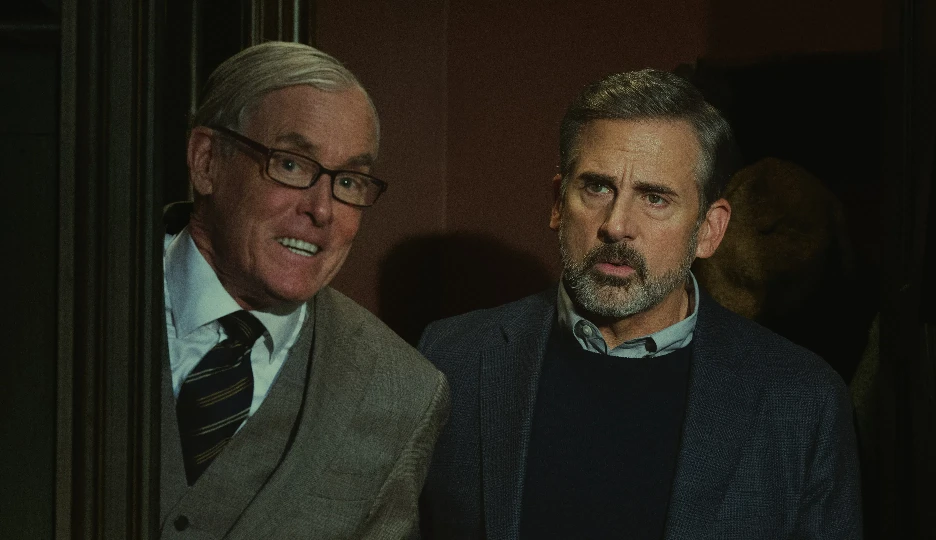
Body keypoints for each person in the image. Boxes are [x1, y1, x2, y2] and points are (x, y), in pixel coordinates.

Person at [418, 69, 861, 539]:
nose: (616, 225)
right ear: (557, 203)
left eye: (655, 198)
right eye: (597, 187)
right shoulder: (454, 359)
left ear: (709, 230)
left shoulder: (801, 400)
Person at [160, 41, 448, 539]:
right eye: (291, 165)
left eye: (349, 181)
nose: (322, 210)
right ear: (206, 161)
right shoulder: (58, 300)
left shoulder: (402, 392)